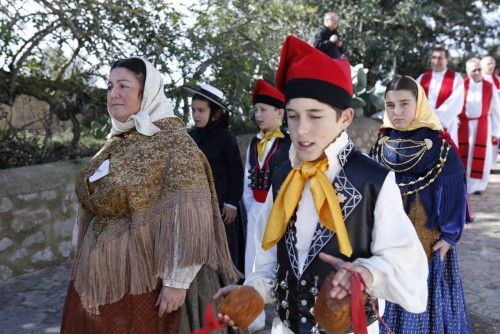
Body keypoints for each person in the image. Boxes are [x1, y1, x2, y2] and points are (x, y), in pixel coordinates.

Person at [215, 36, 428, 333]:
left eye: (315, 116)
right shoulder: (282, 175)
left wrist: (367, 272)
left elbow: (408, 263)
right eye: (292, 116)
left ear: (345, 118)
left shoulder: (373, 181)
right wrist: (255, 290)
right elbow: (267, 260)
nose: (301, 129)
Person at [60, 58, 238, 333]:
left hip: (145, 284)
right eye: (109, 86)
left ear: (148, 92)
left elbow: (190, 217)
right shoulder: (116, 142)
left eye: (123, 85)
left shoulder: (174, 143)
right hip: (98, 281)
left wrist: (176, 284)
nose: (113, 93)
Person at [371, 75, 471, 333]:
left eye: (404, 104)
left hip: (425, 238)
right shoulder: (383, 143)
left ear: (420, 104)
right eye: (390, 105)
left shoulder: (439, 145)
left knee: (422, 294)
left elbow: (454, 187)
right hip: (387, 238)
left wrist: (449, 236)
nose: (397, 111)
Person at [242, 79, 291, 332]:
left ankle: (284, 315)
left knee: (275, 265)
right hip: (255, 212)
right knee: (253, 264)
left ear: (280, 113)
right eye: (257, 110)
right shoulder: (253, 143)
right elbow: (248, 179)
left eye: (263, 110)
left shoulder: (288, 144)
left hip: (278, 214)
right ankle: (254, 316)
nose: (258, 115)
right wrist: (251, 208)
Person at [184, 83, 245, 274]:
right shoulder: (190, 136)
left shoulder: (226, 138)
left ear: (216, 112)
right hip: (196, 205)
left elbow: (236, 171)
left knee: (224, 253)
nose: (196, 115)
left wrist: (232, 203)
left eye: (201, 110)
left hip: (222, 206)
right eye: (193, 110)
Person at [458, 58, 500, 195]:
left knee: (483, 155)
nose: (477, 72)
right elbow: (454, 105)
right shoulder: (462, 85)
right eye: (473, 70)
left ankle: (478, 187)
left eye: (478, 69)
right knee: (465, 155)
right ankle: (464, 184)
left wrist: (496, 130)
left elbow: (496, 109)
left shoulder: (489, 86)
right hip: (464, 125)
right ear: (467, 72)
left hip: (482, 125)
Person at [416, 46, 464, 145]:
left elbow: (456, 102)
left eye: (440, 58)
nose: (436, 60)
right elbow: (415, 99)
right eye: (434, 57)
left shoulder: (456, 78)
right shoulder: (422, 78)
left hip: (447, 123)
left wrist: (436, 119)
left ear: (447, 60)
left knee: (445, 155)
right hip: (424, 124)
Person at [481, 55, 500, 170]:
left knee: (494, 139)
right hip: (483, 115)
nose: (491, 66)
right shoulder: (478, 79)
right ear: (482, 65)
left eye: (493, 63)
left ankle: (492, 165)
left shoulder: (498, 80)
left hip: (496, 115)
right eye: (489, 63)